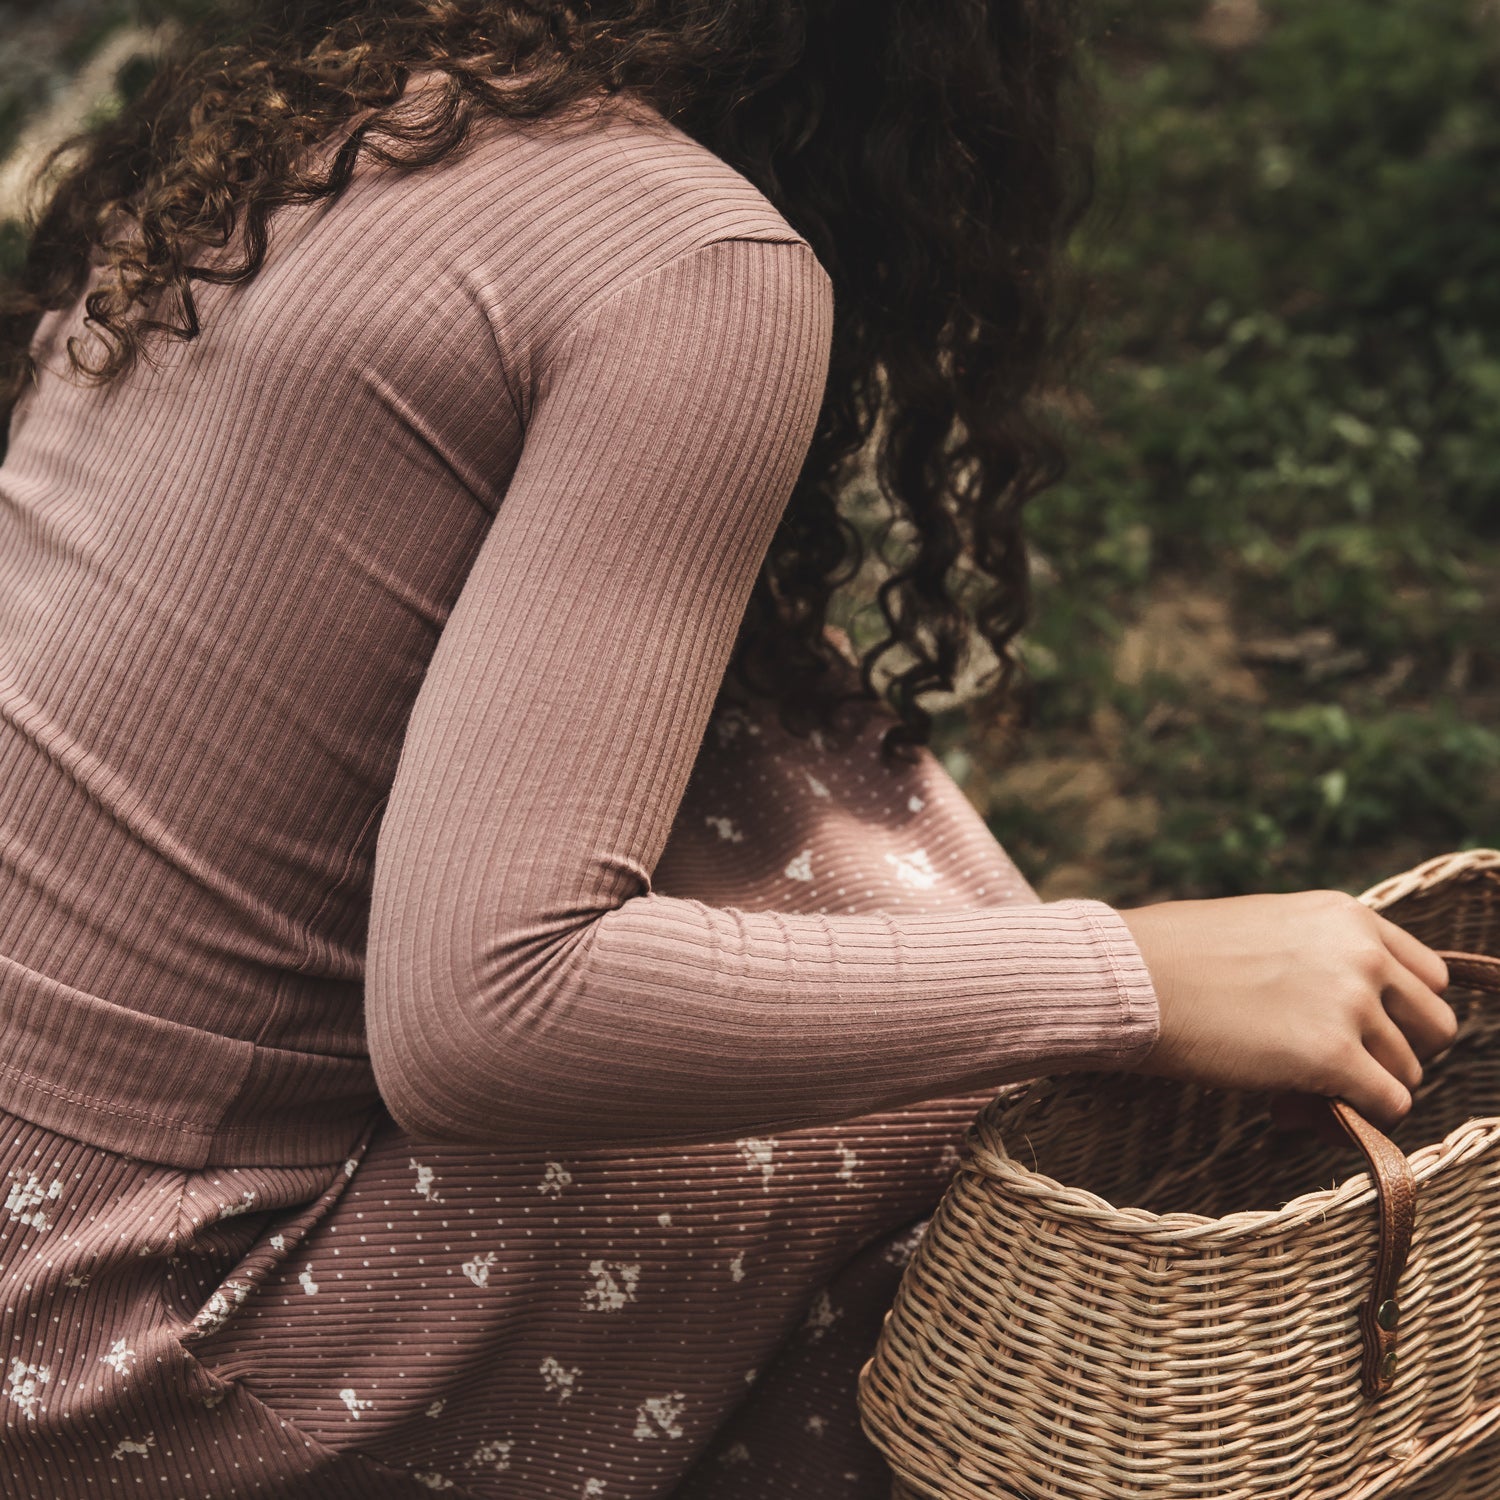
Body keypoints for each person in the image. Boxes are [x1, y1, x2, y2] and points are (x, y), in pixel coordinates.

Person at [0, 1, 1456, 1495]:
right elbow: (488, 1010)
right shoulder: (690, 261)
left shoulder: (337, 101)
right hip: (126, 1329)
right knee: (964, 1123)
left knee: (780, 773)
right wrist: (1132, 979)